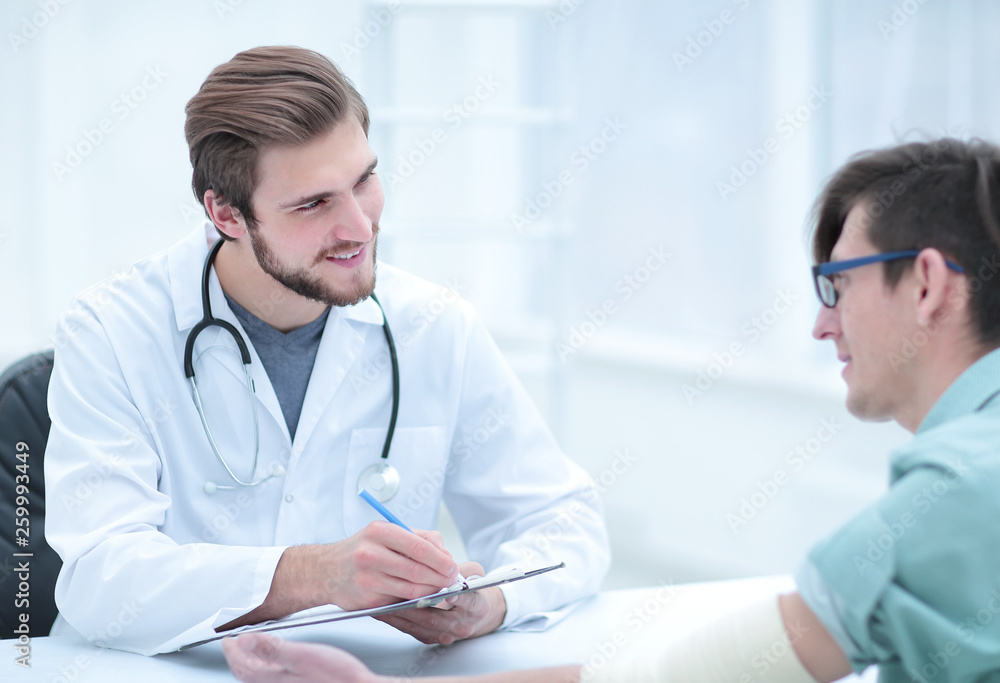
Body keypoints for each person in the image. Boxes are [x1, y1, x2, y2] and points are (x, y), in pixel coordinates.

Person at [225, 137, 1000, 683]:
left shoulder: (957, 491)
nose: (821, 324)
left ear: (928, 284)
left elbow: (690, 674)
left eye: (838, 285)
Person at [43, 46, 610, 656]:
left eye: (363, 179)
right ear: (226, 213)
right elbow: (99, 579)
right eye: (314, 204)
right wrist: (315, 575)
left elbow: (566, 522)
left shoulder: (435, 327)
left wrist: (488, 604)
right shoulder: (110, 331)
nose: (360, 228)